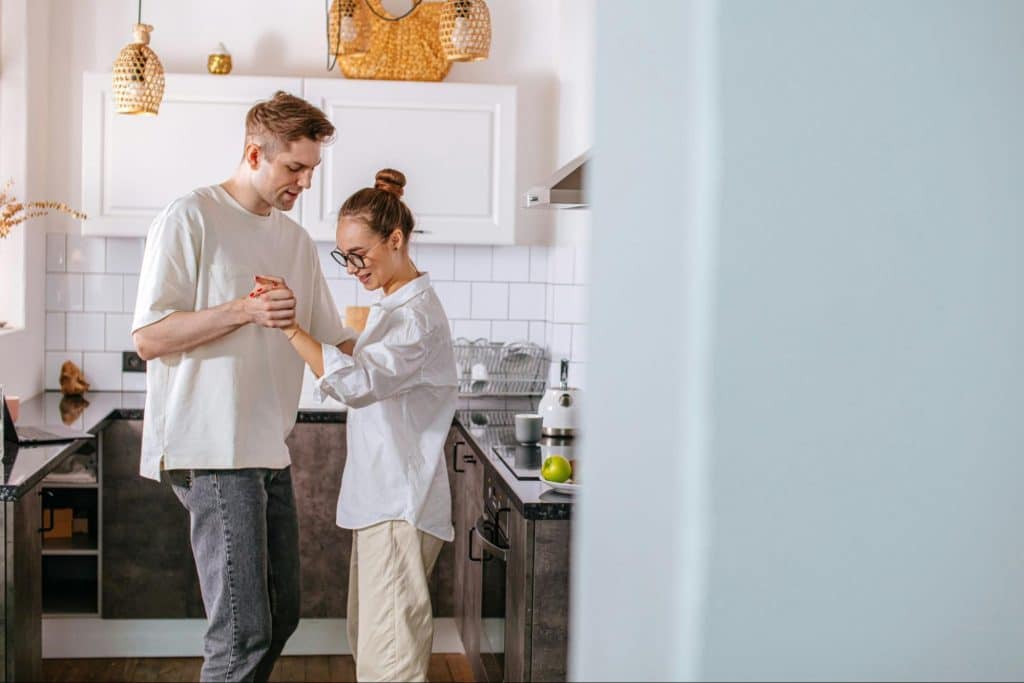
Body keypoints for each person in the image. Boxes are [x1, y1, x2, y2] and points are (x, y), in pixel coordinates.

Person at [131, 91, 354, 682]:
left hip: (266, 447)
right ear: (255, 153)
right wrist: (244, 310)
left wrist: (408, 347)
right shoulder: (191, 217)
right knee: (241, 632)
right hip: (210, 447)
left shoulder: (295, 241)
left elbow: (334, 339)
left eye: (312, 169)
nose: (305, 182)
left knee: (280, 617)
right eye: (295, 167)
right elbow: (149, 338)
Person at [275, 168, 457, 682]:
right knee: (374, 648)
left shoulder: (414, 317)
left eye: (359, 254)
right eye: (345, 257)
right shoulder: (394, 308)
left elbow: (360, 383)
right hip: (383, 504)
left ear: (395, 240)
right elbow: (369, 366)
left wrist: (291, 328)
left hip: (399, 505)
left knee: (390, 665)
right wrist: (324, 334)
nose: (352, 267)